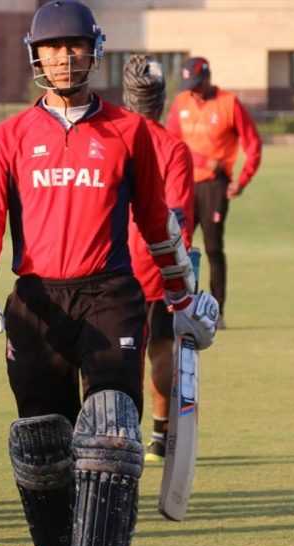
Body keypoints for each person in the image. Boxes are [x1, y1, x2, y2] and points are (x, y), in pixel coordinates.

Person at [0, 0, 217, 546]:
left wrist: (183, 296)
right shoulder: (11, 137)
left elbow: (159, 229)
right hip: (37, 300)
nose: (65, 56)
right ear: (35, 55)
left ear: (94, 50)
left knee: (108, 432)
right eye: (53, 47)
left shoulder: (128, 133)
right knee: (43, 442)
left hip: (110, 295)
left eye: (75, 45)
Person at [121, 54, 195, 460]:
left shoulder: (113, 136)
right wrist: (179, 276)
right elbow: (179, 217)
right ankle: (159, 436)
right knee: (161, 351)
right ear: (162, 100)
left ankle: (122, 433)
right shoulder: (174, 149)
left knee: (120, 357)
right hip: (157, 267)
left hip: (112, 265)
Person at [166, 55, 262, 324]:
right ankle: (183, 306)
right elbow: (171, 143)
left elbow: (253, 143)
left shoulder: (229, 103)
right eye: (190, 84)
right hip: (183, 183)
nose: (194, 89)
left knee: (212, 248)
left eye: (198, 83)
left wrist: (242, 180)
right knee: (178, 246)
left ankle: (216, 312)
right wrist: (198, 160)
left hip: (214, 185)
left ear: (208, 78)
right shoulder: (181, 101)